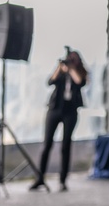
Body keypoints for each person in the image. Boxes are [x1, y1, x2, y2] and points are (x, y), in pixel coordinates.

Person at [29, 49, 88, 191]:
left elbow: (80, 82)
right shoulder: (61, 72)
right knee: (47, 143)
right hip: (55, 109)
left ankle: (62, 180)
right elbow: (50, 81)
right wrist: (60, 68)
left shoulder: (79, 72)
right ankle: (40, 178)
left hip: (70, 112)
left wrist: (72, 69)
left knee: (65, 145)